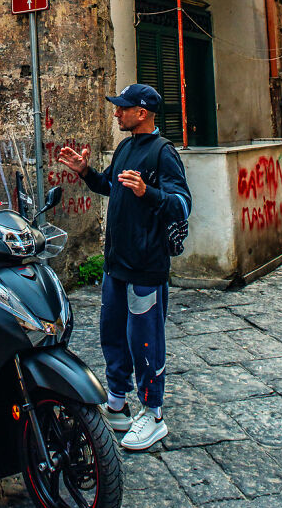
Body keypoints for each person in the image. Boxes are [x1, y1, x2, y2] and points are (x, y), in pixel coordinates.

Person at [58, 84, 192, 451]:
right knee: (112, 334)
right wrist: (86, 171)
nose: (116, 113)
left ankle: (153, 414)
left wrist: (147, 193)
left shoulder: (163, 153)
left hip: (146, 267)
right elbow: (109, 186)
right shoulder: (126, 147)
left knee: (145, 341)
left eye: (122, 108)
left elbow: (182, 204)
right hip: (116, 264)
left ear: (143, 112)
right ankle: (117, 404)